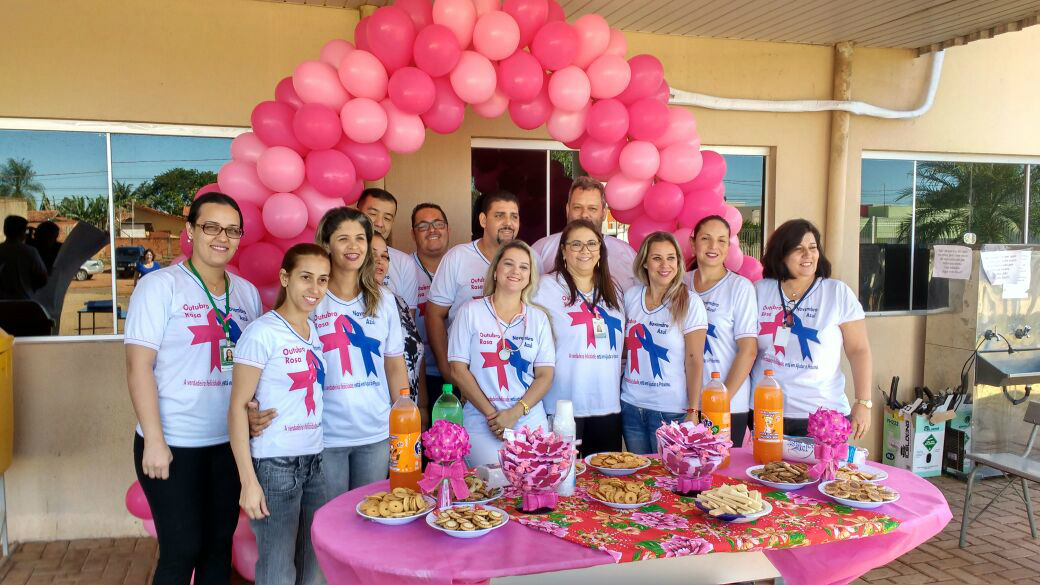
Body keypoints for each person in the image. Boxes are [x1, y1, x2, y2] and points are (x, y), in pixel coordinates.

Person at [125, 192, 262, 585]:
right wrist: (153, 438)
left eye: (232, 230)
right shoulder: (161, 287)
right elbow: (138, 366)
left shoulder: (247, 293)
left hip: (228, 443)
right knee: (181, 550)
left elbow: (251, 367)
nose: (222, 237)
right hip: (174, 442)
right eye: (211, 227)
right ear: (190, 231)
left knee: (218, 548)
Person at [229, 244, 330, 585]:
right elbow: (237, 409)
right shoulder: (262, 333)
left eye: (322, 280)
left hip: (314, 461)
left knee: (312, 564)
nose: (314, 288)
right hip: (275, 466)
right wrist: (248, 481)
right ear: (285, 278)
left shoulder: (313, 333)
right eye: (305, 277)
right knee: (278, 570)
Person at [311, 208, 408, 495]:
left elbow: (394, 365)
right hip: (325, 435)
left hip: (375, 433)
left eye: (360, 239)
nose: (353, 247)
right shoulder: (311, 299)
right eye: (343, 239)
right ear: (327, 244)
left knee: (369, 522)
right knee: (329, 525)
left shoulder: (384, 300)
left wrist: (403, 424)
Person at [752, 219, 873, 439]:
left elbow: (859, 350)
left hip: (823, 415)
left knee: (823, 474)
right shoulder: (760, 290)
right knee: (765, 473)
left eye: (813, 248)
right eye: (798, 249)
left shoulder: (837, 292)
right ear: (781, 254)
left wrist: (863, 402)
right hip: (766, 412)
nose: (808, 255)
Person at [447, 240, 555, 467]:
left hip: (528, 417)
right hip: (482, 419)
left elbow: (545, 375)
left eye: (524, 267)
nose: (516, 271)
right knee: (492, 485)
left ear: (529, 277)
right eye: (508, 264)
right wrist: (493, 417)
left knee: (533, 484)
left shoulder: (538, 318)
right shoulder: (471, 311)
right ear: (495, 271)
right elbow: (458, 370)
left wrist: (515, 413)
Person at [532, 219, 625, 456]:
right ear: (563, 250)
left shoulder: (613, 288)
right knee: (563, 484)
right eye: (576, 244)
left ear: (601, 250)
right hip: (562, 405)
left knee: (604, 485)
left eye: (592, 244)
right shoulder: (545, 288)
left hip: (607, 406)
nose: (585, 251)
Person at [621, 232, 708, 455]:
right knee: (641, 478)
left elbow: (694, 359)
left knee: (669, 479)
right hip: (631, 406)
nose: (665, 265)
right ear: (645, 262)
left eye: (671, 258)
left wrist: (693, 409)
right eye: (657, 258)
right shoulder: (631, 296)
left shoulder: (690, 302)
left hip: (671, 411)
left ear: (678, 263)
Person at [427, 190, 520, 386]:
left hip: (512, 376)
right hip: (465, 374)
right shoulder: (458, 257)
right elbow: (434, 315)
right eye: (499, 215)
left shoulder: (527, 259)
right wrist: (448, 372)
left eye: (514, 216)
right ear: (483, 220)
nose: (508, 223)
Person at [684, 216, 758, 448]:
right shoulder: (679, 284)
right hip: (684, 404)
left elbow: (748, 350)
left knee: (720, 478)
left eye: (721, 240)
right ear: (693, 242)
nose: (713, 246)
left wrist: (720, 400)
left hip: (726, 405)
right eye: (706, 239)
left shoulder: (739, 287)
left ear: (729, 247)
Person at [531, 176, 637, 290]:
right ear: (567, 210)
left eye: (592, 209)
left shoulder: (627, 254)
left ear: (604, 213)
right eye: (577, 207)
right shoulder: (541, 249)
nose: (584, 215)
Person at [371, 231, 427, 418]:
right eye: (372, 255)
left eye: (385, 256)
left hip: (404, 411)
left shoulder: (397, 302)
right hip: (374, 417)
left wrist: (421, 408)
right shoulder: (346, 305)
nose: (380, 261)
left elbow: (415, 357)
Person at [410, 203, 450, 418]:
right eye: (423, 226)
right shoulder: (404, 268)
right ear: (413, 234)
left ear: (448, 229)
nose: (432, 230)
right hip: (421, 374)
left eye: (438, 224)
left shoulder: (459, 263)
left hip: (461, 372)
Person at [356, 188, 419, 314]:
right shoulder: (339, 257)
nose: (379, 223)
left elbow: (408, 318)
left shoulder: (404, 263)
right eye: (373, 214)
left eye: (387, 218)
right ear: (356, 214)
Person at [0, 215, 48, 300]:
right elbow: (43, 279)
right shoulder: (30, 251)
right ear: (22, 232)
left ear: (5, 230)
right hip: (24, 301)